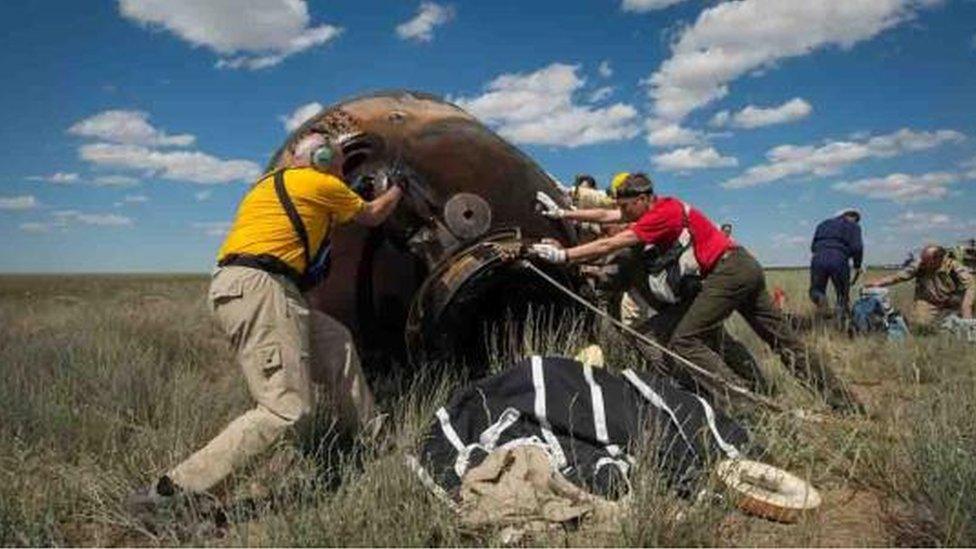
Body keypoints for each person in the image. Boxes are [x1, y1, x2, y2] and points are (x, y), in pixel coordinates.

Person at [129, 131, 406, 515]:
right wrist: (397, 189)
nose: (341, 166)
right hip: (263, 288)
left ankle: (376, 443)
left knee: (337, 342)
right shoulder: (319, 182)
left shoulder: (270, 185)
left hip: (261, 288)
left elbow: (305, 266)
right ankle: (172, 491)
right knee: (286, 410)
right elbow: (373, 214)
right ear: (321, 160)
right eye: (336, 158)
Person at [532, 172, 861, 412]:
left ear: (643, 199)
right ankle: (845, 404)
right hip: (744, 265)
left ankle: (746, 405)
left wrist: (565, 256)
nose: (624, 213)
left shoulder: (661, 216)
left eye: (627, 206)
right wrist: (564, 213)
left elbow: (612, 241)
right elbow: (606, 213)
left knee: (684, 339)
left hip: (727, 272)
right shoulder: (656, 207)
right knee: (783, 341)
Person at [866, 244, 974, 327]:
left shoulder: (953, 267)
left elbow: (971, 285)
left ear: (937, 260)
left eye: (926, 260)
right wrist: (878, 282)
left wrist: (966, 305)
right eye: (922, 258)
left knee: (966, 319)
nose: (922, 261)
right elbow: (898, 277)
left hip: (953, 299)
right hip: (929, 301)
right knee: (919, 325)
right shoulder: (919, 265)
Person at [809, 208, 863, 320]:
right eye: (856, 220)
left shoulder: (823, 224)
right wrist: (857, 265)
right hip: (839, 259)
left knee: (816, 290)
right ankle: (840, 324)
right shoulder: (853, 226)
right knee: (842, 295)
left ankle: (821, 301)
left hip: (818, 258)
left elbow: (813, 247)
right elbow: (857, 247)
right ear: (853, 217)